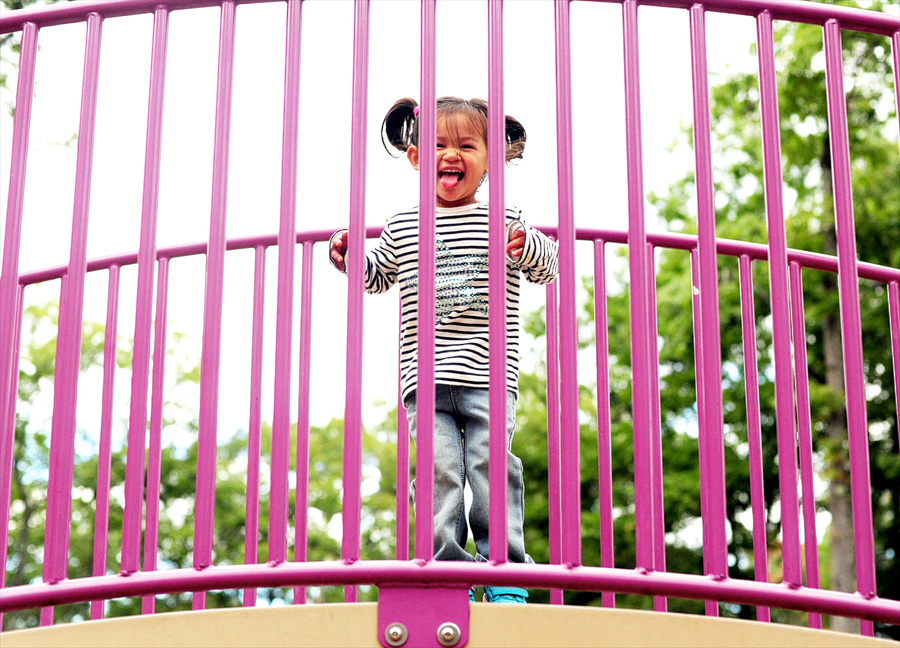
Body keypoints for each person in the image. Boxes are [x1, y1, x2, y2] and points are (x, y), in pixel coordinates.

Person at [329, 97, 558, 604]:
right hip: (426, 379)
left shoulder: (504, 216)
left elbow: (549, 265)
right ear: (415, 158)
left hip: (488, 376)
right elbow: (378, 276)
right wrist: (349, 257)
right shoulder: (405, 223)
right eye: (437, 145)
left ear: (489, 160)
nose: (450, 155)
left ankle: (505, 572)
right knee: (439, 472)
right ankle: (450, 568)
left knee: (491, 466)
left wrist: (527, 246)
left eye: (465, 145)